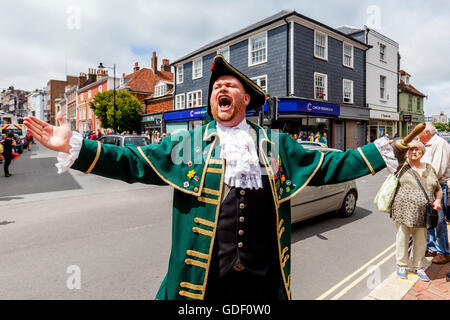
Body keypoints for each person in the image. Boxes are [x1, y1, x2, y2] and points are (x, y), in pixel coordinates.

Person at [23, 55, 405, 301]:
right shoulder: (189, 144)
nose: (221, 88)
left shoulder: (276, 144)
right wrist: (76, 146)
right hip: (203, 287)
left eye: (230, 86)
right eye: (216, 88)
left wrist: (386, 150)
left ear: (246, 101)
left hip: (261, 285)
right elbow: (131, 161)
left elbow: (331, 167)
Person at [390, 140, 442, 281]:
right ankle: (402, 265)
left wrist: (437, 201)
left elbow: (438, 189)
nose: (414, 152)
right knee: (402, 238)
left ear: (423, 153)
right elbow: (395, 150)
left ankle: (418, 267)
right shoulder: (401, 166)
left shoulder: (430, 168)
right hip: (403, 211)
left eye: (417, 150)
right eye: (411, 149)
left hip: (424, 213)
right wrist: (405, 142)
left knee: (421, 241)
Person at [418, 122, 450, 264]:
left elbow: (438, 169)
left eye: (419, 131)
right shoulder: (427, 144)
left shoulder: (440, 143)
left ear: (427, 132)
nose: (417, 134)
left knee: (439, 221)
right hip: (427, 186)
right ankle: (432, 248)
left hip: (437, 186)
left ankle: (444, 252)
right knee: (429, 219)